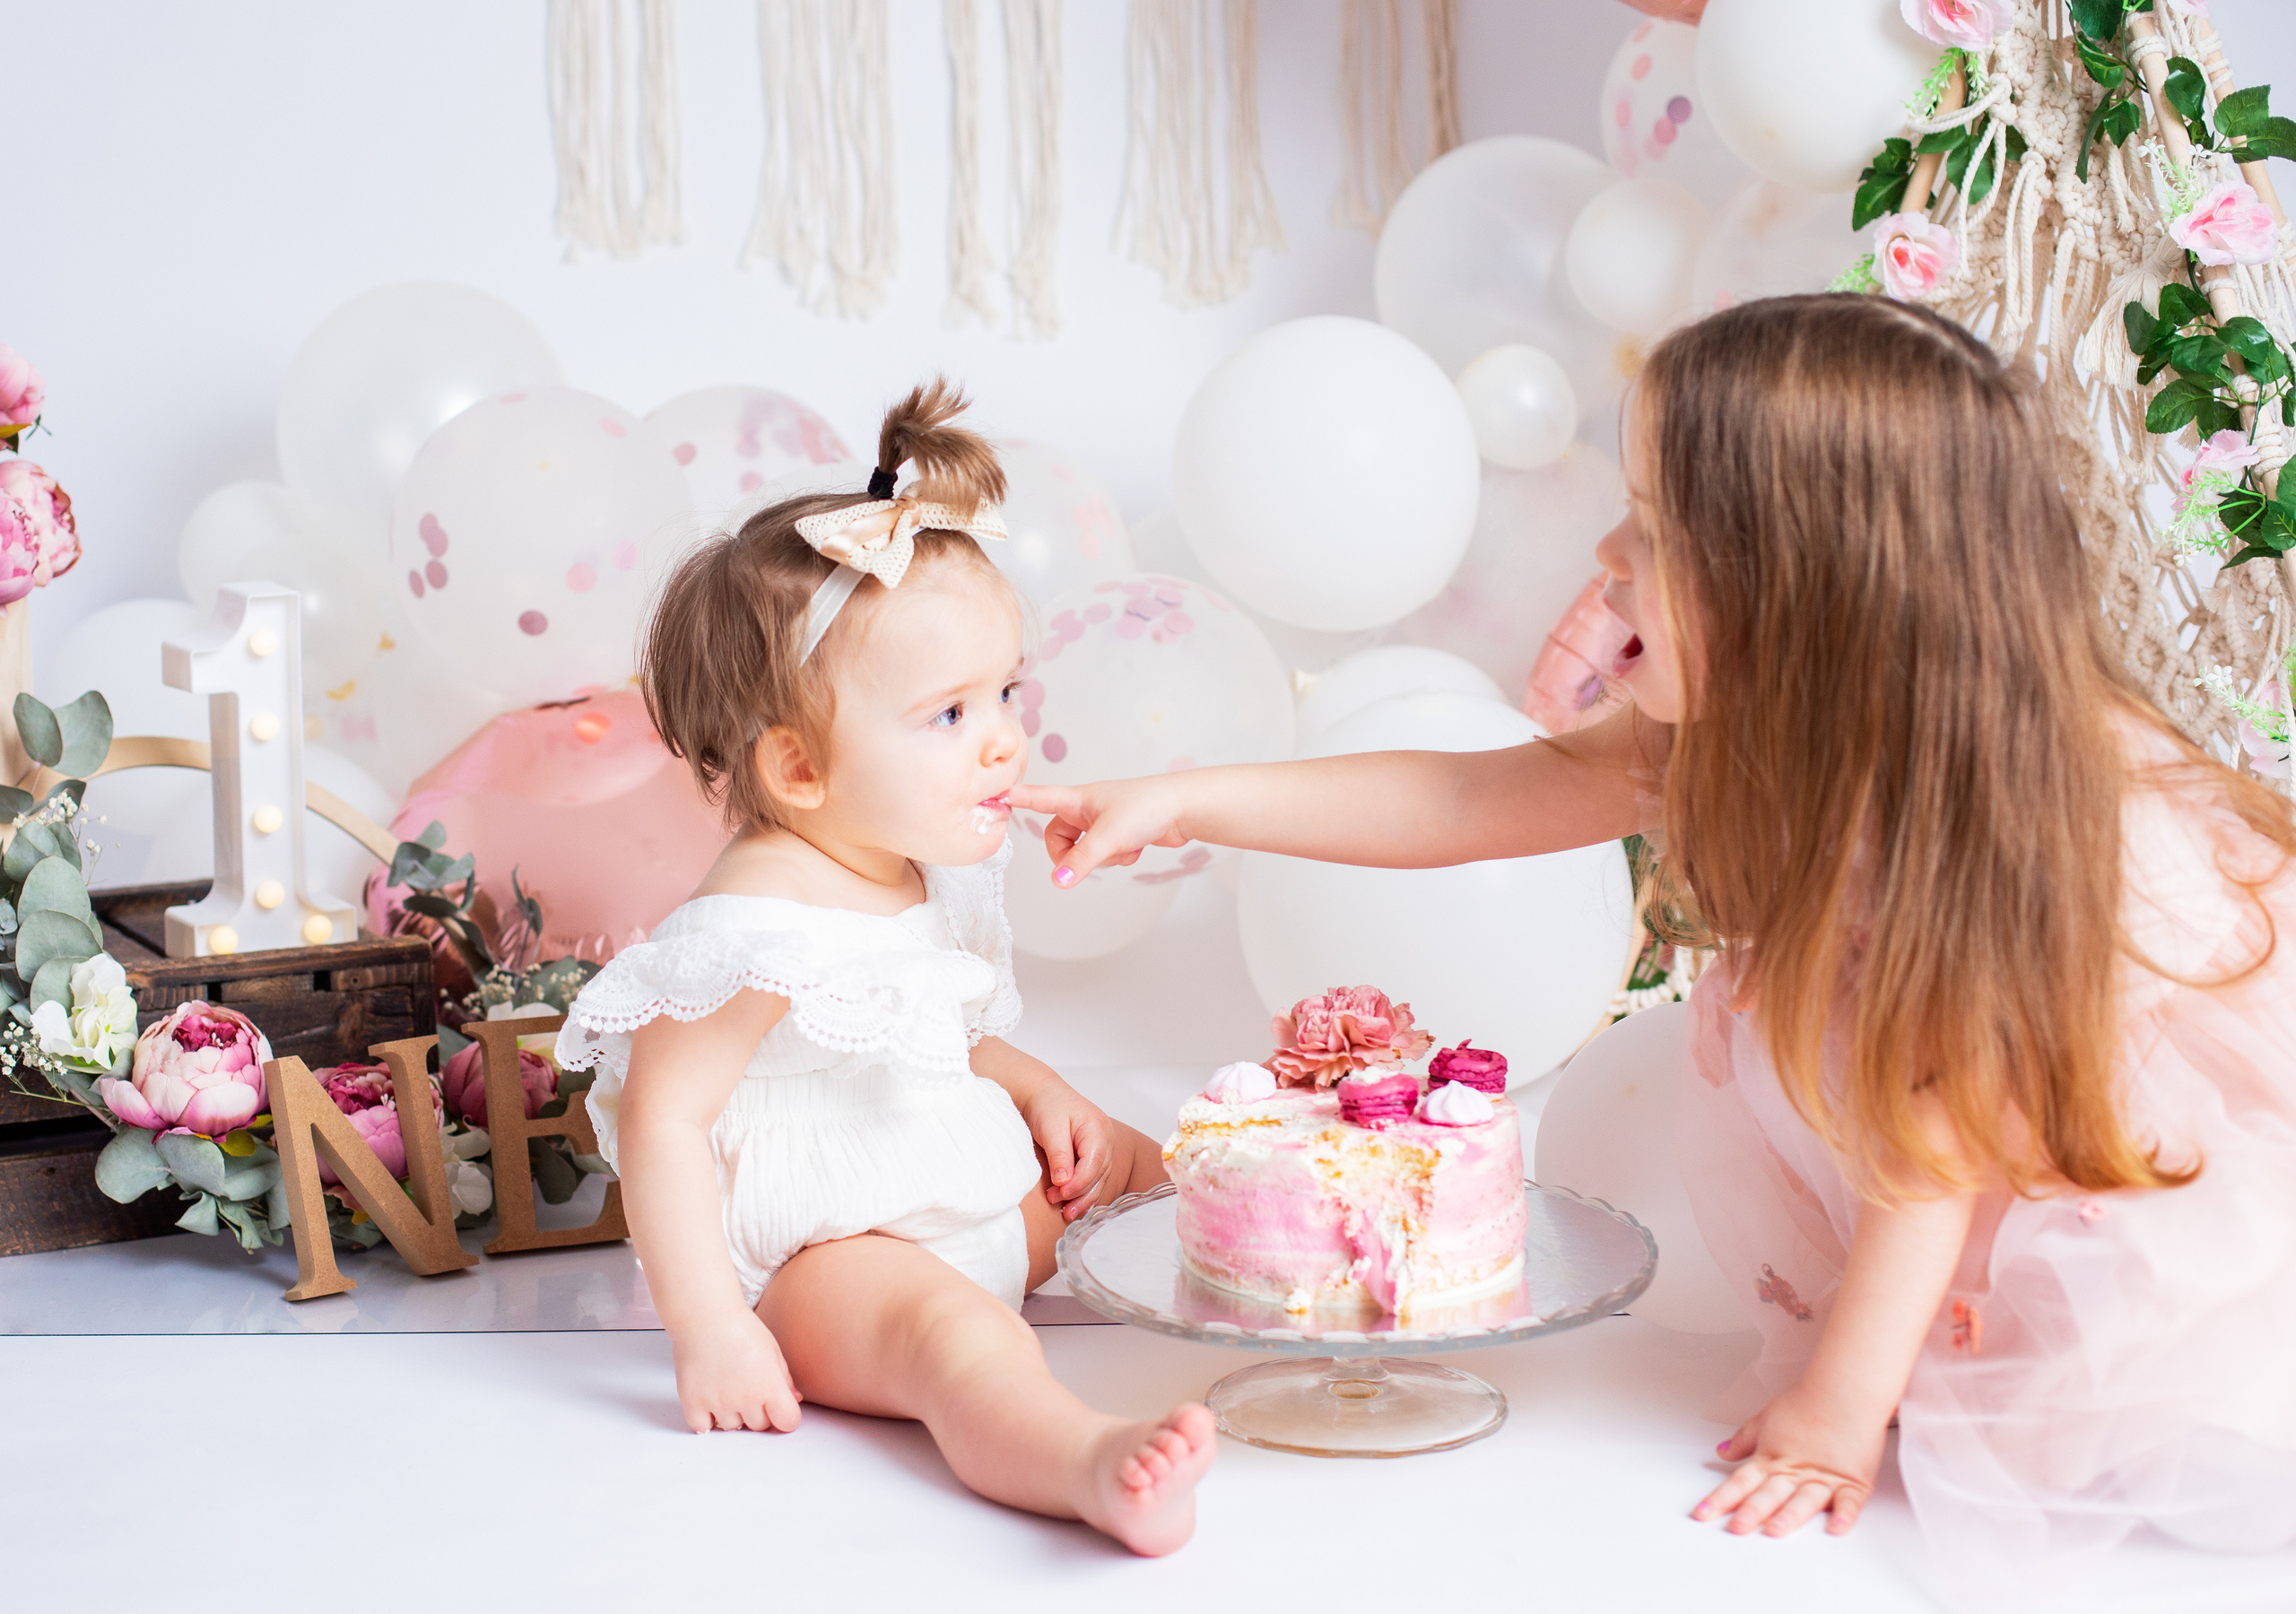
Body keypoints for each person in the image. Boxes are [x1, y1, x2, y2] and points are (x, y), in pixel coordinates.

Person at [1008, 296, 2296, 1586]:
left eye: (1658, 530)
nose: (1610, 553)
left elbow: (1937, 1136)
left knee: (2087, 1394)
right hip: (1949, 1120)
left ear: (1796, 592)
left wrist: (1841, 1413)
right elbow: (1466, 799)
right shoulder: (1758, 722)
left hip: (2060, 1136)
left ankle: (1962, 1346)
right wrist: (1188, 798)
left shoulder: (1956, 807)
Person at [555, 381, 1208, 1556]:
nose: (1006, 734)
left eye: (1005, 690)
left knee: (1159, 1167)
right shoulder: (749, 926)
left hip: (960, 1187)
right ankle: (1087, 1463)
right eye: (950, 714)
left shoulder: (899, 858)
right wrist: (709, 1331)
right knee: (961, 1347)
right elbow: (662, 1125)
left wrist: (1040, 1090)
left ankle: (1304, 1273)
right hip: (833, 1268)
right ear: (799, 768)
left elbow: (920, 1028)